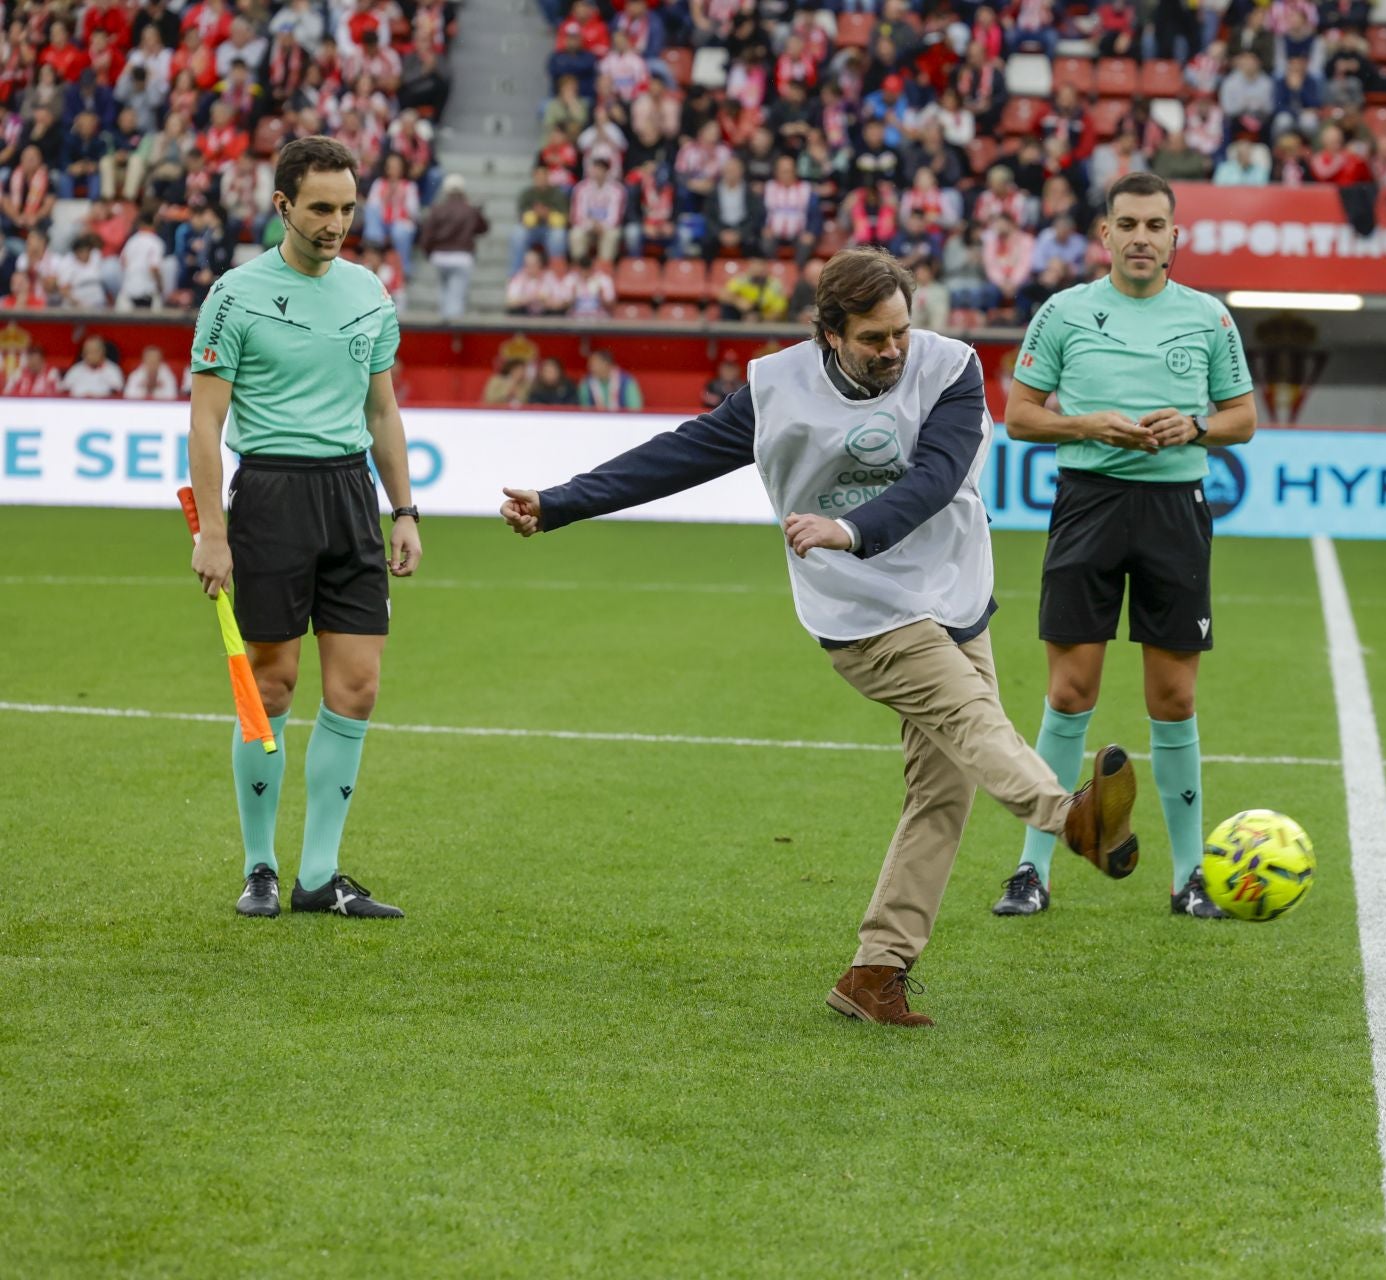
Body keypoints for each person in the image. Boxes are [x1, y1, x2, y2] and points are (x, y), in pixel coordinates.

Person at [498, 248, 1143, 1025]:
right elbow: (679, 456)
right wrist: (562, 502)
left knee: (943, 790)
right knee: (974, 719)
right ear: (828, 334)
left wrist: (849, 525)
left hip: (950, 589)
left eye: (901, 331)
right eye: (874, 338)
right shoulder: (776, 386)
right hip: (859, 608)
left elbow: (934, 479)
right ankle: (1066, 816)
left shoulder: (952, 368)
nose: (894, 350)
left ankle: (875, 972)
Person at [992, 173, 1257, 919]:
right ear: (1104, 235)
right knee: (1070, 691)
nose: (1142, 237)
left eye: (1155, 224)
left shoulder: (1208, 317)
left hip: (1176, 509)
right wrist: (1088, 424)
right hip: (1090, 505)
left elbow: (1243, 417)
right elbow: (1018, 415)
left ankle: (1188, 878)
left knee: (1173, 698)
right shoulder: (1065, 312)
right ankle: (1031, 869)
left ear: (1178, 236)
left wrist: (1196, 427)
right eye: (1128, 224)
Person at [185, 136, 419, 921]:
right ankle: (260, 868)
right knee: (273, 682)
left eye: (347, 207)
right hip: (272, 497)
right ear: (282, 205)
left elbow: (382, 410)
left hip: (351, 496)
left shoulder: (369, 294)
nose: (336, 223)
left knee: (357, 686)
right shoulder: (235, 294)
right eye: (321, 208)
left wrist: (405, 509)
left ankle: (320, 877)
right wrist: (212, 530)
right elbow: (206, 421)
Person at [416, 173, 488, 321]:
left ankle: (444, 325)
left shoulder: (437, 209)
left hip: (440, 256)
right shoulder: (469, 209)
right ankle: (453, 332)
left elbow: (427, 235)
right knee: (456, 296)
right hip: (462, 257)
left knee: (444, 292)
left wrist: (428, 252)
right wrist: (477, 212)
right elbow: (483, 228)